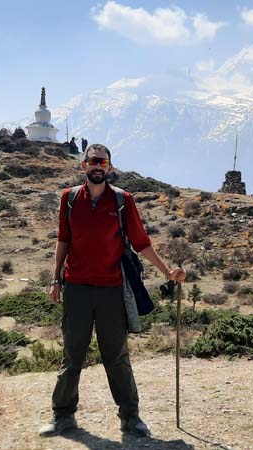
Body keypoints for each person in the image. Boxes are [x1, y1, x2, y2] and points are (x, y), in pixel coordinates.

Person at [39, 143, 186, 438]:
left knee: (116, 356)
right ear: (84, 166)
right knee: (72, 355)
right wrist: (56, 279)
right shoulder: (68, 199)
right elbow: (63, 241)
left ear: (109, 167)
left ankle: (130, 418)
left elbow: (141, 242)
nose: (98, 166)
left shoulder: (122, 200)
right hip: (77, 288)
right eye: (93, 161)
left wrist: (167, 271)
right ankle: (63, 416)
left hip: (111, 290)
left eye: (103, 162)